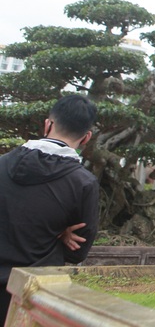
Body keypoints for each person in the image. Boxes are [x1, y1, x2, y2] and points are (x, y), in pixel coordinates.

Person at [0, 94, 99, 318]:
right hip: (33, 295)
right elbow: (77, 252)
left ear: (48, 124)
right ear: (86, 138)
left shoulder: (2, 164)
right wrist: (59, 233)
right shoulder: (83, 183)